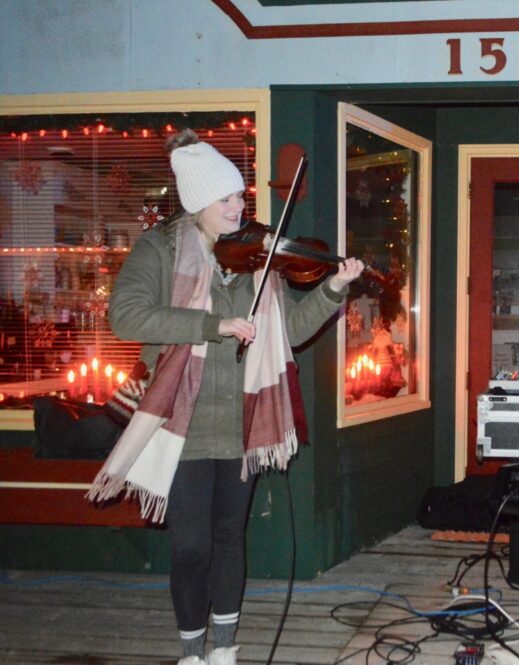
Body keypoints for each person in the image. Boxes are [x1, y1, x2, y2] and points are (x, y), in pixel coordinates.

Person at [88, 129, 364, 665]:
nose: (241, 206)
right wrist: (214, 324)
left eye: (241, 196)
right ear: (197, 202)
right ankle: (192, 651)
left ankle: (224, 650)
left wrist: (332, 290)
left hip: (243, 421)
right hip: (180, 422)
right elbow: (125, 315)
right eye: (228, 198)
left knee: (229, 539)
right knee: (191, 546)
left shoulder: (257, 259)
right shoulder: (160, 249)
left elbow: (291, 330)